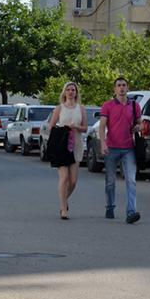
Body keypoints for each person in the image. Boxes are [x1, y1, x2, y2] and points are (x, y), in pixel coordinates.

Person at [99, 77, 141, 224]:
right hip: (111, 147)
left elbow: (139, 123)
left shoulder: (134, 105)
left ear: (127, 88)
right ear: (115, 89)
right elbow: (102, 126)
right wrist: (103, 144)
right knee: (110, 181)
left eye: (124, 85)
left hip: (129, 148)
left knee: (131, 180)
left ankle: (131, 212)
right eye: (119, 85)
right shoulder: (107, 105)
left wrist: (137, 127)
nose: (121, 88)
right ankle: (110, 206)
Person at [48, 81, 87, 220]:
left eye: (73, 90)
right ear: (64, 92)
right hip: (62, 146)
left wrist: (76, 127)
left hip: (75, 145)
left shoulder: (81, 108)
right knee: (64, 178)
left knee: (73, 181)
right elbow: (51, 127)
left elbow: (86, 128)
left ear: (76, 93)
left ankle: (63, 201)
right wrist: (63, 130)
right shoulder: (59, 108)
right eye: (68, 89)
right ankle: (64, 208)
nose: (71, 92)